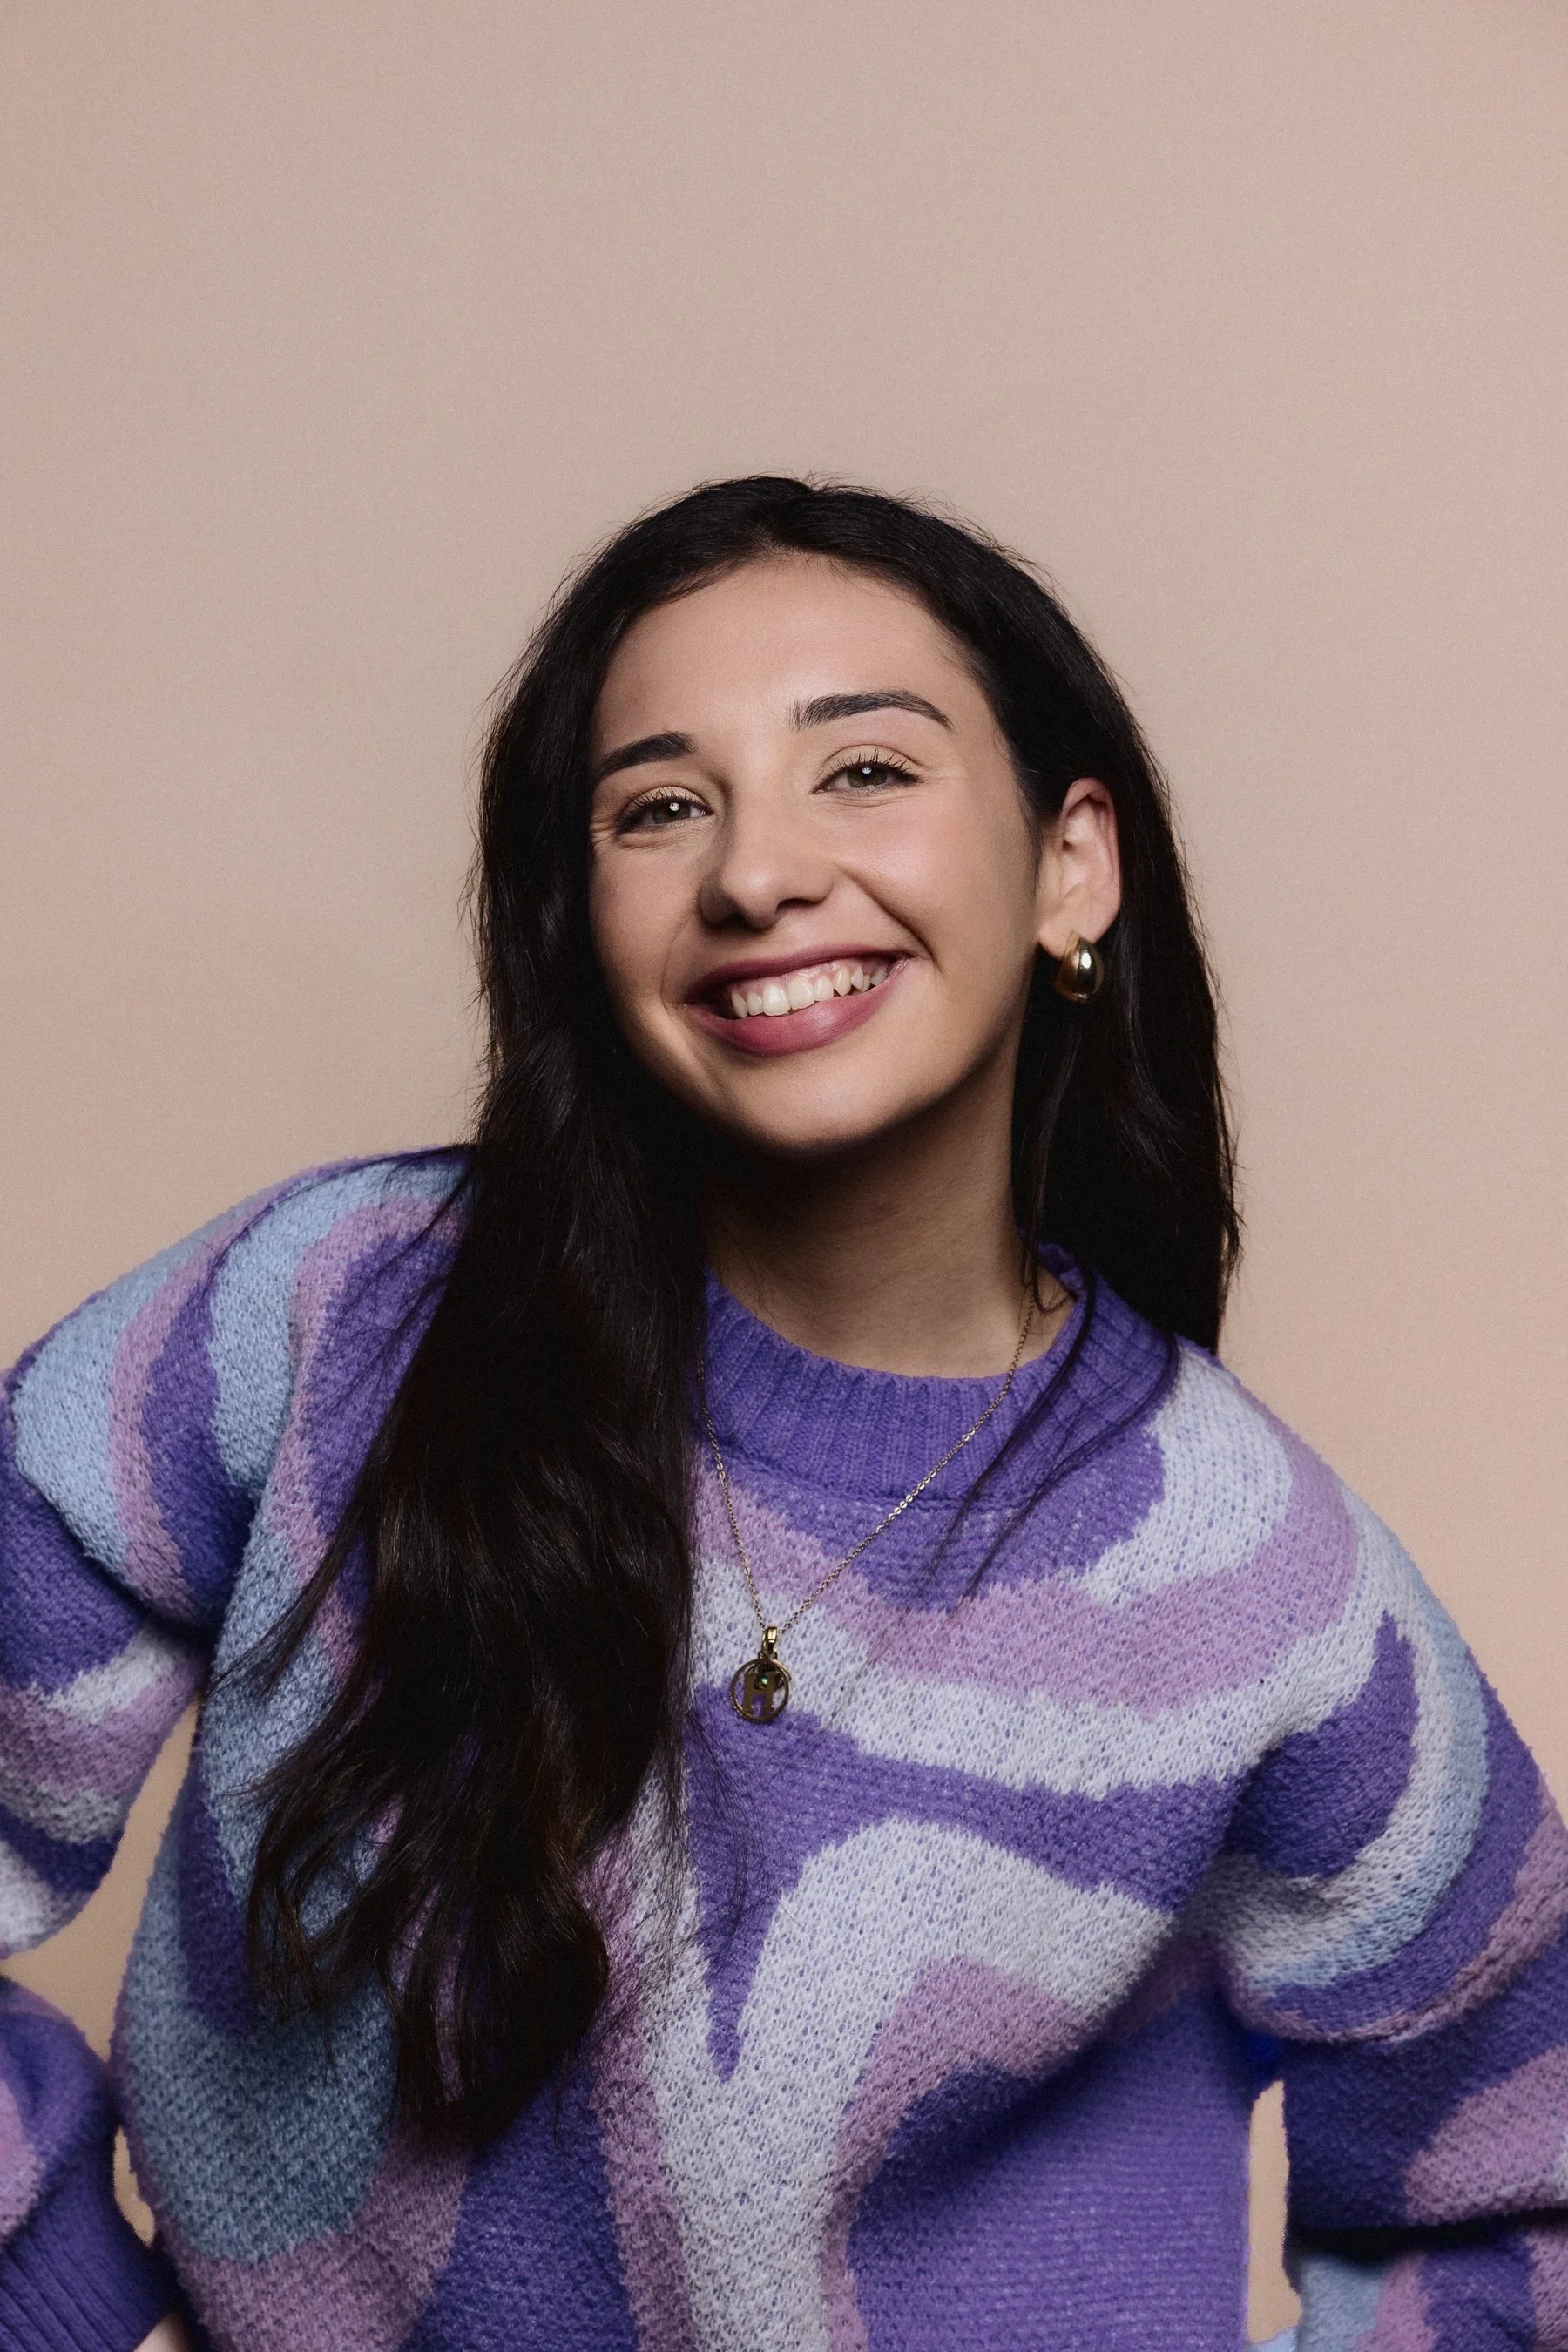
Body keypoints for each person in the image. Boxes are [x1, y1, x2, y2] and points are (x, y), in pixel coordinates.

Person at [2, 476, 1564, 2352]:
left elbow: (1518, 2205)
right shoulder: (337, 1315)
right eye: (661, 807)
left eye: (868, 770)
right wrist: (68, 2297)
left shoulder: (1266, 1594)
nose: (758, 872)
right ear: (586, 917)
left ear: (1075, 863)